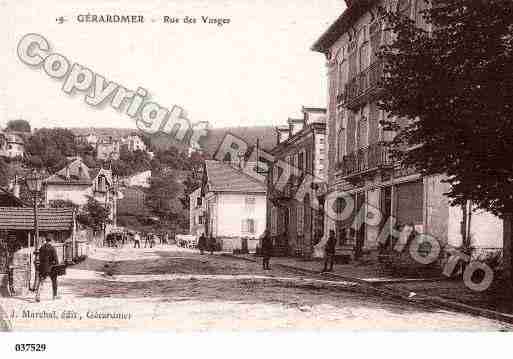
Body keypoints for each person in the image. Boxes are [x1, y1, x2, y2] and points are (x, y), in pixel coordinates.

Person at [35, 237, 59, 302]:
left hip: (42, 267)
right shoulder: (52, 248)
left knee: (41, 281)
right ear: (50, 241)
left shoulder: (41, 248)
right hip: (51, 268)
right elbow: (56, 259)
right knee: (54, 281)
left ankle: (38, 295)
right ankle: (55, 295)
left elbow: (39, 257)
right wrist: (57, 265)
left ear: (46, 241)